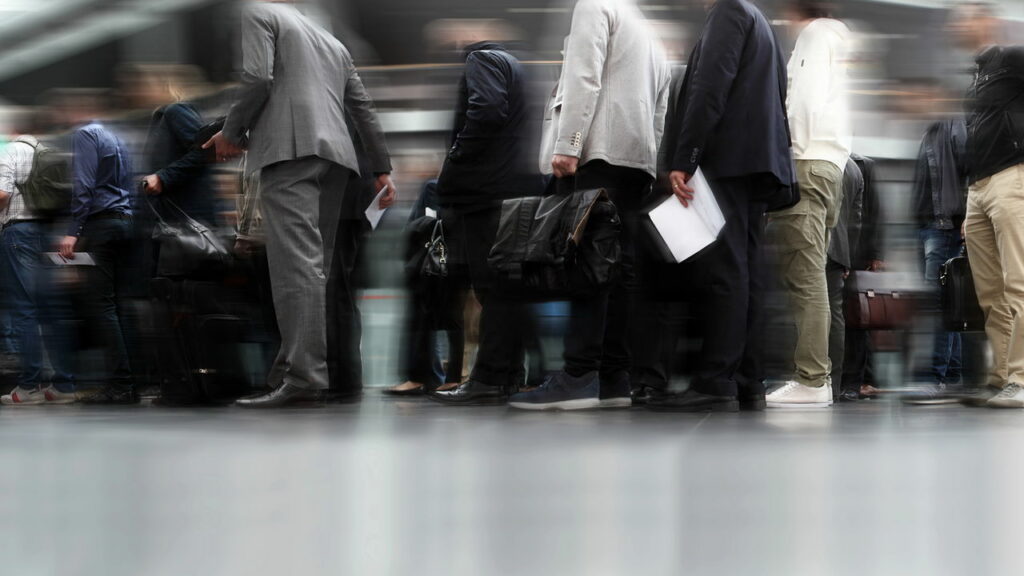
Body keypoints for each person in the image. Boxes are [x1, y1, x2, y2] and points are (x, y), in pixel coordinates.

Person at [204, 0, 396, 408]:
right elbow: (362, 106)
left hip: (290, 150)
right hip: (337, 161)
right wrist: (381, 168)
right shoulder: (331, 41)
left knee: (295, 271)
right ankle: (291, 371)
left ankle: (303, 378)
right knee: (315, 270)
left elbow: (257, 77)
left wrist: (231, 132)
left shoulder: (258, 12)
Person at [506, 0, 670, 411]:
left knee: (588, 267)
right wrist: (652, 163)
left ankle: (579, 375)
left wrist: (568, 143)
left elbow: (583, 75)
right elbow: (661, 106)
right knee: (619, 272)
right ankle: (614, 376)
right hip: (637, 162)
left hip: (598, 154)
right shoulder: (646, 25)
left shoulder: (595, 6)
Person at [645, 0, 796, 412]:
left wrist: (684, 157)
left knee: (725, 273)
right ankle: (749, 380)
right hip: (754, 163)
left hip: (729, 160)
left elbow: (709, 86)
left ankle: (715, 379)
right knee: (746, 272)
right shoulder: (758, 18)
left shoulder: (728, 11)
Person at [429, 35, 542, 406]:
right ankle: (506, 375)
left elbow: (487, 109)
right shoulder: (519, 67)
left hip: (486, 191)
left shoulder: (482, 59)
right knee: (507, 288)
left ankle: (490, 378)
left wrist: (457, 157)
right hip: (514, 189)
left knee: (491, 288)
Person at [764, 0, 852, 408]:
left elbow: (803, 101)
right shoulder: (839, 39)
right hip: (830, 164)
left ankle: (813, 380)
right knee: (815, 273)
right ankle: (817, 378)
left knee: (804, 274)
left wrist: (787, 155)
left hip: (807, 161)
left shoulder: (816, 35)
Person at [949, 2, 1024, 408]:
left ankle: (1022, 377)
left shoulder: (1013, 57)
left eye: (967, 15)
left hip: (1013, 179)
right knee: (990, 293)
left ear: (987, 21)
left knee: (1019, 284)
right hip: (977, 191)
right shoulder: (977, 78)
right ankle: (1001, 377)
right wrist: (967, 199)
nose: (959, 24)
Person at [56, 90, 140, 404]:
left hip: (101, 224)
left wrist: (72, 232)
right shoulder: (115, 138)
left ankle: (120, 385)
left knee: (102, 307)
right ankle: (131, 381)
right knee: (119, 306)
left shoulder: (84, 136)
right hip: (124, 222)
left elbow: (84, 186)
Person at [0, 123, 77, 405]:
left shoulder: (11, 152)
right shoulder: (50, 152)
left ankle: (29, 386)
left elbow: (2, 194)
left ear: (15, 131)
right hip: (48, 234)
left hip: (18, 234)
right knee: (53, 310)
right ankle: (64, 386)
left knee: (24, 310)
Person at [827, 158, 864, 402]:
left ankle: (810, 378)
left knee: (808, 310)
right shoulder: (853, 168)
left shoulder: (818, 154)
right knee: (835, 315)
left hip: (818, 244)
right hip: (838, 250)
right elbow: (856, 219)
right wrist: (847, 257)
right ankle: (834, 384)